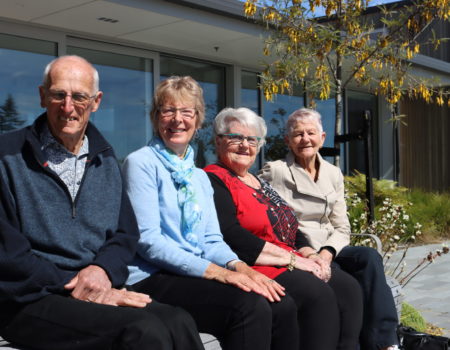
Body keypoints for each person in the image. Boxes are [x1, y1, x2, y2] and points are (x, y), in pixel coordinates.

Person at [0, 56, 204, 350]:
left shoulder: (105, 158)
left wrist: (102, 272)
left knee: (178, 320)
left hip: (95, 285)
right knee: (143, 331)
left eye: (79, 97)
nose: (68, 107)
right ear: (43, 96)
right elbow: (8, 254)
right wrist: (75, 284)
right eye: (59, 95)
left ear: (95, 102)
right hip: (29, 299)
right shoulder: (7, 155)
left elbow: (125, 234)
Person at [123, 76, 299, 350]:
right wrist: (220, 273)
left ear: (198, 120)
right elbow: (149, 242)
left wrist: (243, 270)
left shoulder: (198, 177)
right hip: (151, 276)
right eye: (168, 111)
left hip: (191, 273)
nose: (177, 120)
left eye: (186, 112)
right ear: (156, 117)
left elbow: (212, 240)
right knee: (249, 306)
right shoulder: (141, 163)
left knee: (281, 303)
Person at [204, 107, 363, 350]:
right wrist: (293, 260)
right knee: (317, 294)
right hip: (256, 263)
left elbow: (290, 224)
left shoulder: (259, 182)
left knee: (348, 287)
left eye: (252, 139)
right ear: (218, 141)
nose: (244, 145)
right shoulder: (215, 178)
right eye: (236, 138)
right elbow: (231, 234)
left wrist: (310, 254)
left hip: (288, 257)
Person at [259, 107, 399, 350]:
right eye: (298, 134)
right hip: (300, 250)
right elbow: (259, 210)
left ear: (322, 138)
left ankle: (385, 342)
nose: (305, 139)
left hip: (330, 246)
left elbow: (342, 226)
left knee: (369, 257)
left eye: (310, 133)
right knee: (346, 284)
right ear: (288, 140)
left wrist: (327, 252)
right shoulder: (276, 171)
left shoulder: (333, 173)